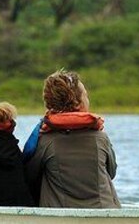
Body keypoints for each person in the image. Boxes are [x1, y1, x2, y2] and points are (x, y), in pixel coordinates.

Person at [24, 70, 120, 209]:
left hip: (60, 217)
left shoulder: (44, 140)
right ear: (78, 104)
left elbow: (30, 177)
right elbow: (112, 172)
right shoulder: (101, 138)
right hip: (103, 212)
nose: (88, 99)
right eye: (86, 95)